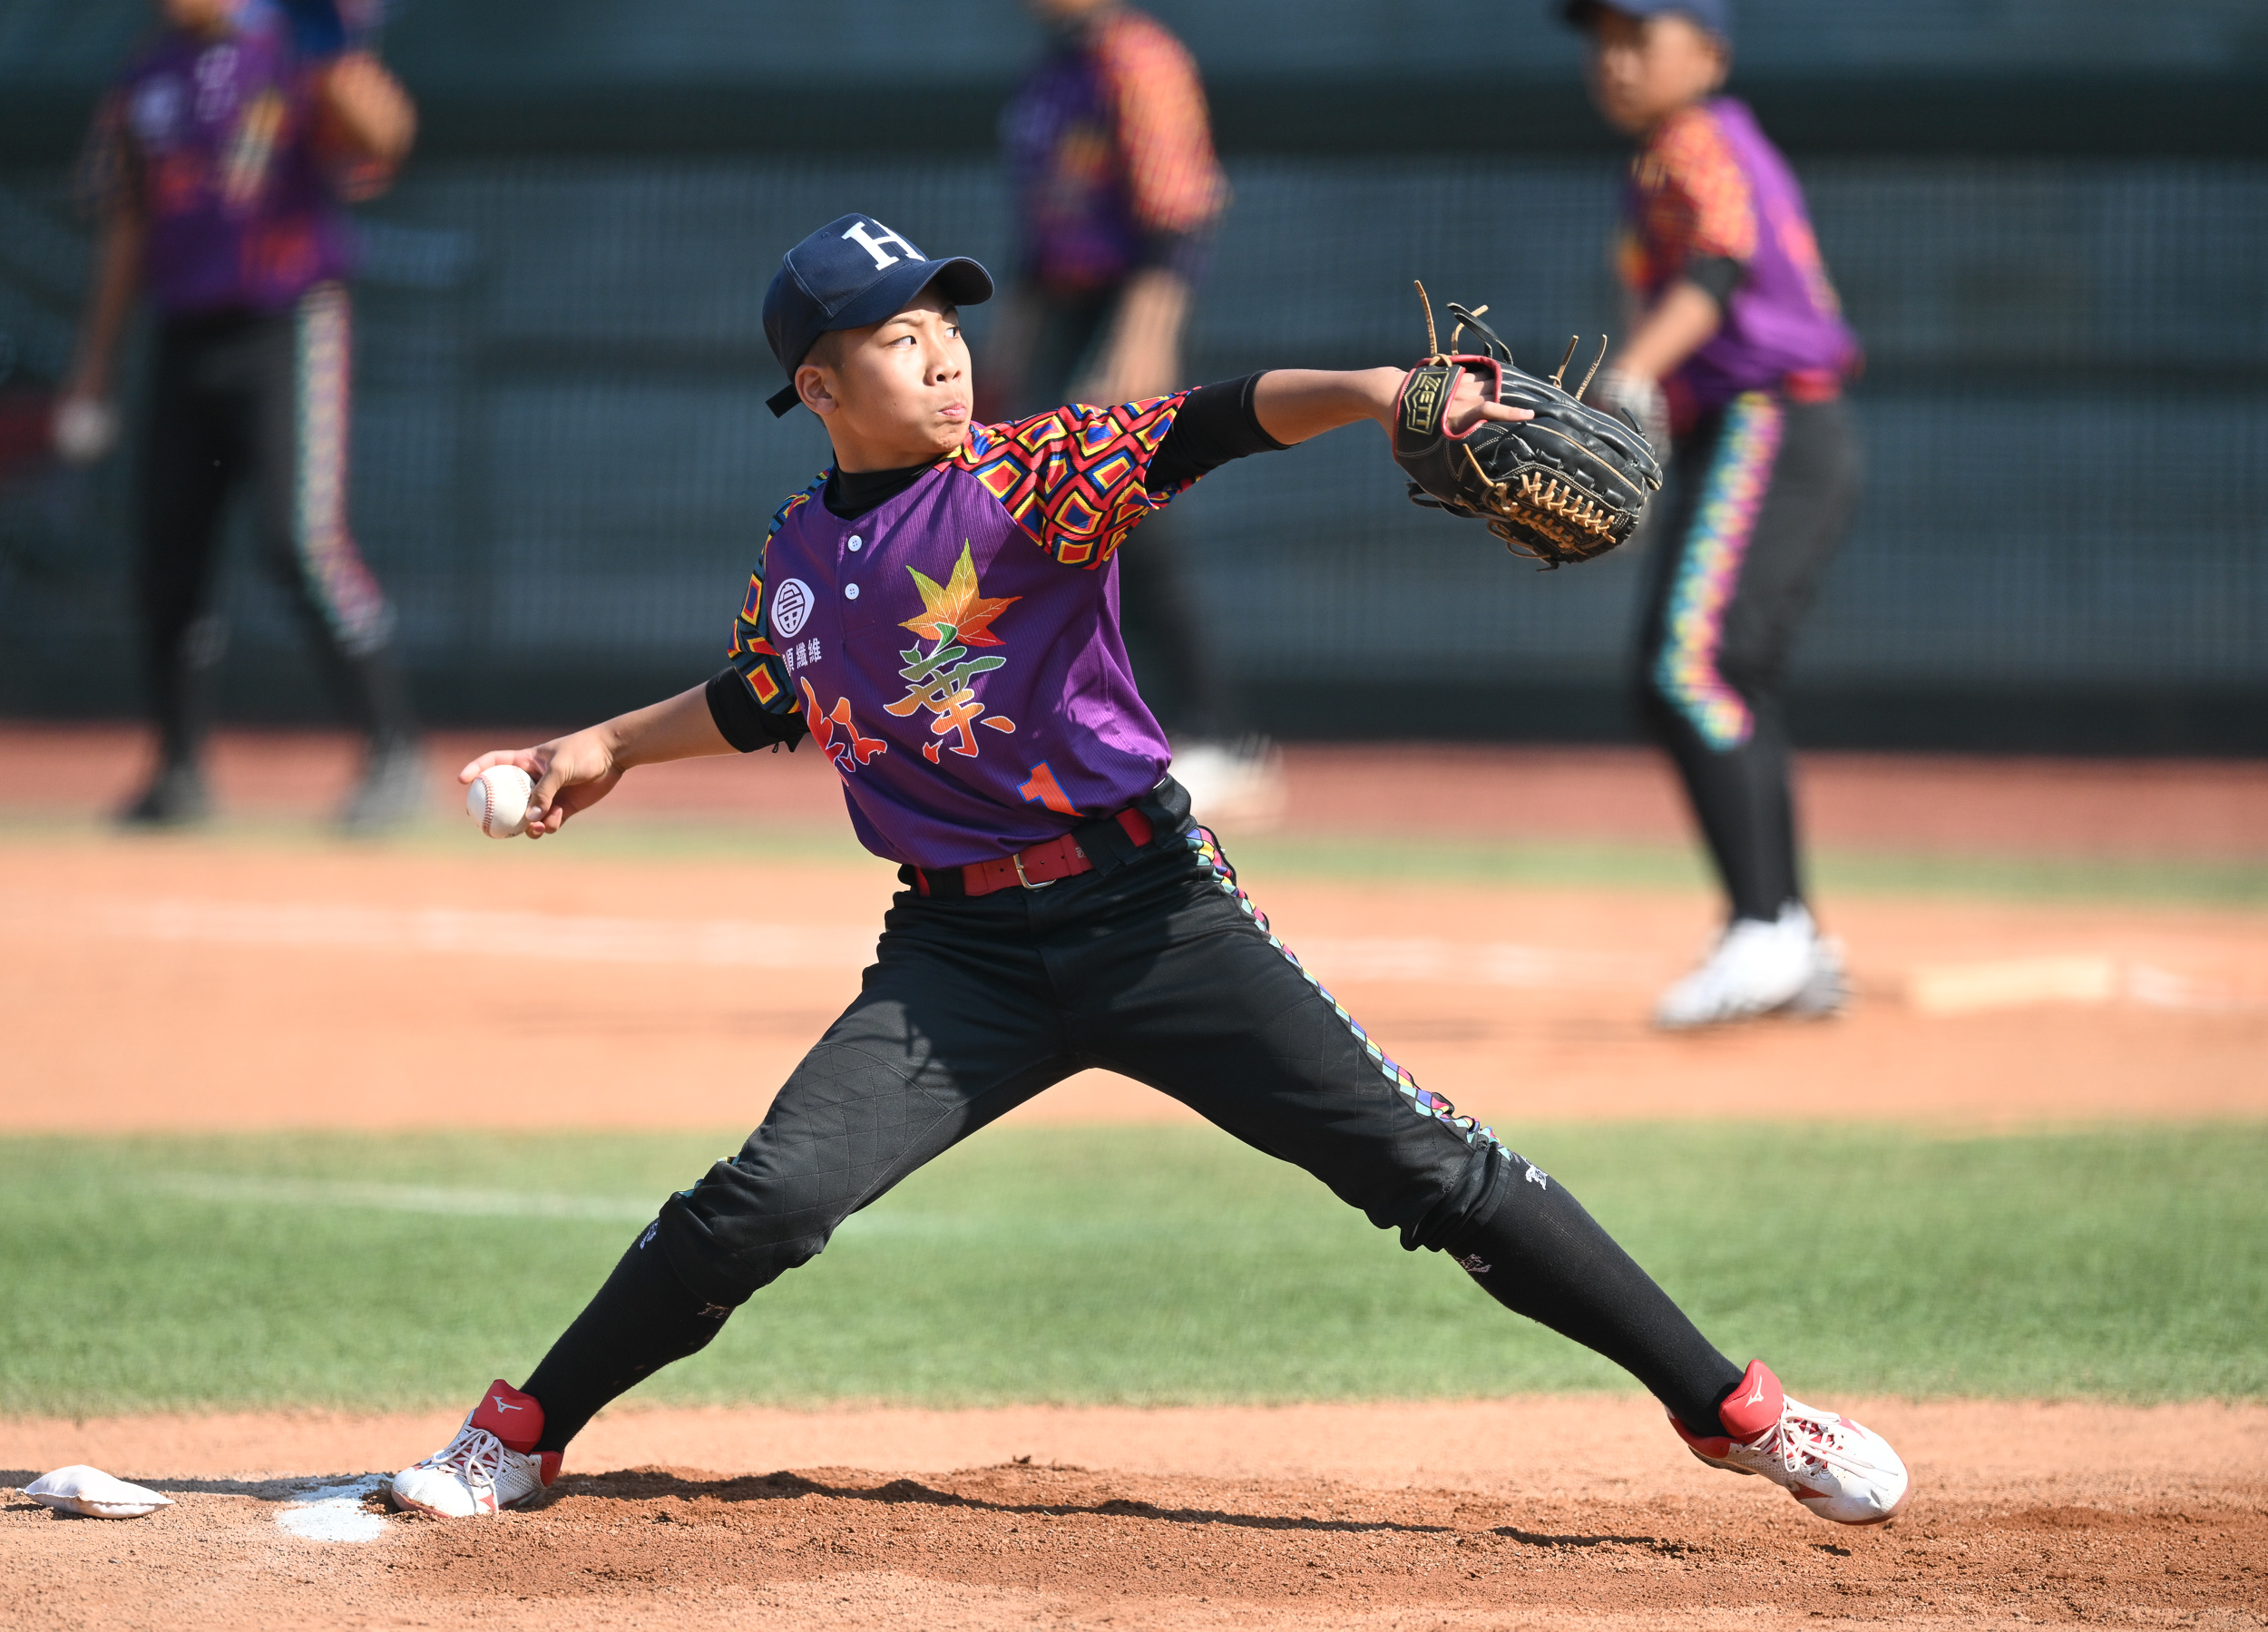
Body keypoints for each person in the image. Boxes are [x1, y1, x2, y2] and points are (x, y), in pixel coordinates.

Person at [386, 212, 1909, 1529]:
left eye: (947, 329)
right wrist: (606, 744)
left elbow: (1212, 419)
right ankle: (519, 1431)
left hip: (1157, 916)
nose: (943, 357)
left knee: (1426, 1163)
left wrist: (1379, 391)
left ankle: (1740, 1411)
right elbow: (772, 689)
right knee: (764, 1201)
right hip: (958, 962)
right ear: (820, 386)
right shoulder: (798, 554)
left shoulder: (1031, 476)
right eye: (901, 339)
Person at [1567, 0, 1864, 1028]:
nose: (1613, 59)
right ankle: (1787, 930)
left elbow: (1719, 263)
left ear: (1710, 52)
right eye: (1601, 41)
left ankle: (1766, 928)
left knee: (1688, 671)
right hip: (1754, 430)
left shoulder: (1700, 137)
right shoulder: (1663, 156)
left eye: (1636, 36)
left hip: (1769, 422)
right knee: (1711, 679)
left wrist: (1627, 378)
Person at [59, 0, 425, 830]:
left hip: (285, 324)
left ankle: (394, 755)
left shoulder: (291, 41)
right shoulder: (147, 72)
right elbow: (126, 224)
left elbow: (385, 136)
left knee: (299, 541)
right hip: (182, 336)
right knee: (168, 557)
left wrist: (330, 53)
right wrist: (93, 367)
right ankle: (179, 773)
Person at [986, 0, 1284, 827]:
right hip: (1061, 315)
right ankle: (1087, 728)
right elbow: (1038, 238)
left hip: (1124, 310)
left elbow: (1178, 215)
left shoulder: (1138, 60)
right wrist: (1005, 358)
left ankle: (1221, 736)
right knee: (1040, 516)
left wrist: (1144, 337)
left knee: (1130, 515)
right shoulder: (1055, 68)